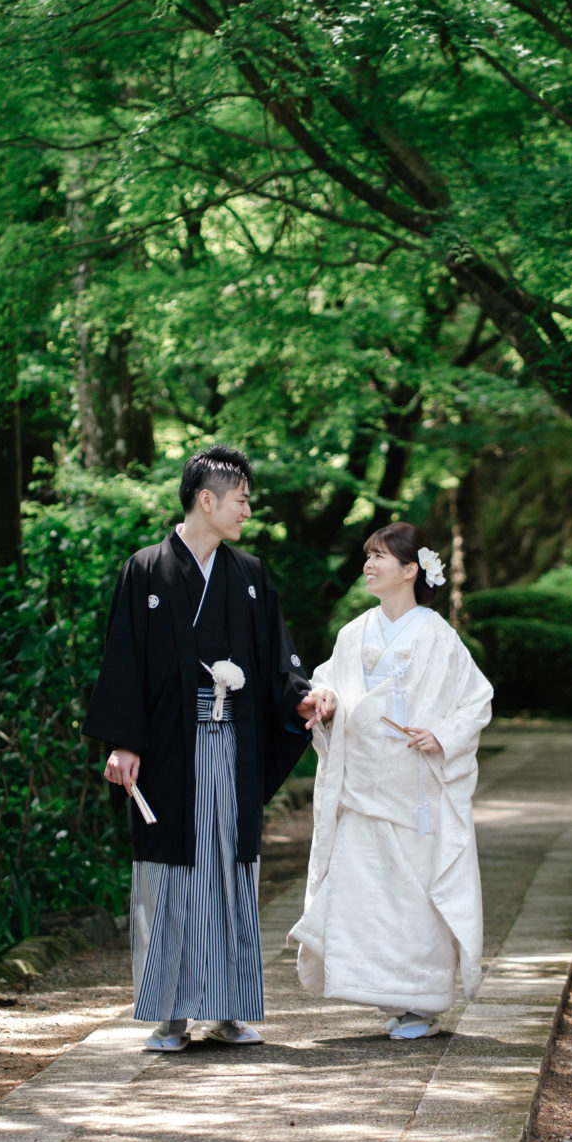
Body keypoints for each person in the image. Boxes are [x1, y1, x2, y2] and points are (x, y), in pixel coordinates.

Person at [83, 445, 317, 1052]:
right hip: (168, 747)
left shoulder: (251, 575)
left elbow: (277, 660)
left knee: (231, 867)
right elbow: (123, 661)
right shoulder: (145, 569)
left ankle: (230, 1009)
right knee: (172, 871)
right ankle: (170, 1012)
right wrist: (123, 742)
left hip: (234, 744)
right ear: (206, 500)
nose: (247, 510)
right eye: (241, 499)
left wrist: (300, 698)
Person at [289, 522, 493, 1039]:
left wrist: (442, 735)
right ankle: (387, 993)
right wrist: (324, 701)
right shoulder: (353, 632)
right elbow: (327, 684)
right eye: (368, 555)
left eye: (380, 556)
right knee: (366, 893)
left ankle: (421, 1001)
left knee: (414, 896)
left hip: (413, 789)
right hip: (362, 785)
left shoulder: (438, 635)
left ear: (410, 570)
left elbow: (475, 699)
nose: (368, 564)